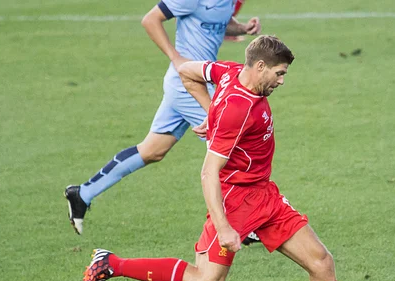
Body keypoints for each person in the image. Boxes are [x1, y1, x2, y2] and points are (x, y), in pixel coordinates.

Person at [81, 36, 395, 281]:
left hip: (264, 194)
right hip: (237, 201)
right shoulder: (237, 110)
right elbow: (209, 173)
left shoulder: (228, 71)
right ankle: (112, 264)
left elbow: (186, 71)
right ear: (260, 66)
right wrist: (223, 227)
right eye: (279, 74)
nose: (281, 81)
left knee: (321, 262)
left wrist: (210, 113)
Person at [65, 0, 261, 235]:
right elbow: (150, 19)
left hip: (194, 80)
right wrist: (176, 58)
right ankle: (245, 222)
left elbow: (216, 21)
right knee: (229, 147)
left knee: (152, 150)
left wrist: (241, 28)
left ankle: (82, 194)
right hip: (186, 84)